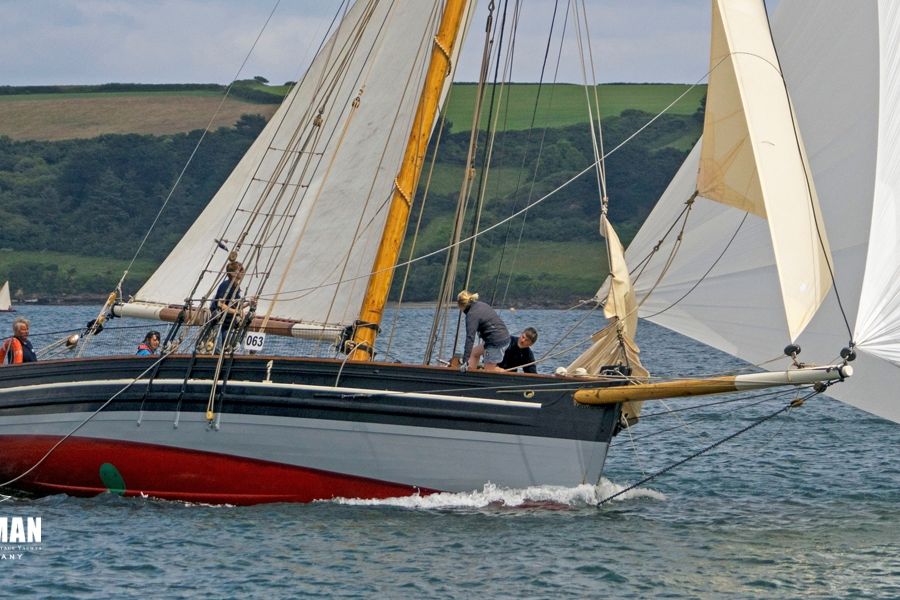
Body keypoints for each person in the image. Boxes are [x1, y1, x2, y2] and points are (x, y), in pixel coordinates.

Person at [457, 290, 509, 372]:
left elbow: (470, 338)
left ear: (460, 305)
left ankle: (508, 377)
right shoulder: (481, 304)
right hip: (503, 337)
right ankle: (470, 375)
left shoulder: (471, 315)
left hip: (495, 343)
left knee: (488, 371)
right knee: (474, 353)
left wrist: (465, 361)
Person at [210, 260, 246, 349]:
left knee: (228, 346)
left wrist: (249, 304)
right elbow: (220, 304)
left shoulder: (236, 287)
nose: (243, 272)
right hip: (221, 323)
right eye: (240, 270)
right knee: (220, 348)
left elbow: (235, 305)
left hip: (229, 322)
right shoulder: (225, 285)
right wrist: (236, 311)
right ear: (233, 273)